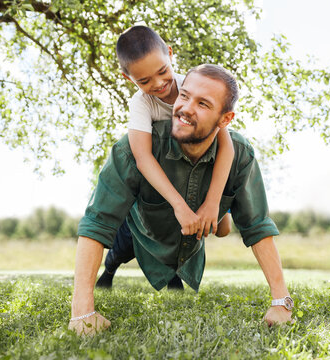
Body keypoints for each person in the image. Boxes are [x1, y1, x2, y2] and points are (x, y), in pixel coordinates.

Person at [68, 64, 293, 336]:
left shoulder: (240, 155)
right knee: (119, 252)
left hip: (186, 248)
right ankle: (109, 275)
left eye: (203, 104)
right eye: (184, 96)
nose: (185, 108)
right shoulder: (131, 150)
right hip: (140, 232)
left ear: (225, 120)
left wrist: (282, 303)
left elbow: (257, 226)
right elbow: (96, 222)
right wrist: (82, 312)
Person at [96, 25, 234, 290]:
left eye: (162, 72)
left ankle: (178, 271)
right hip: (159, 185)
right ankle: (110, 270)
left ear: (170, 54)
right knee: (128, 242)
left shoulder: (192, 87)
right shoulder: (141, 104)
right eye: (145, 81)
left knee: (222, 228)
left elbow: (226, 145)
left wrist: (214, 202)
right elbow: (142, 157)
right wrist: (179, 206)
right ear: (129, 79)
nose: (158, 84)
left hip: (195, 173)